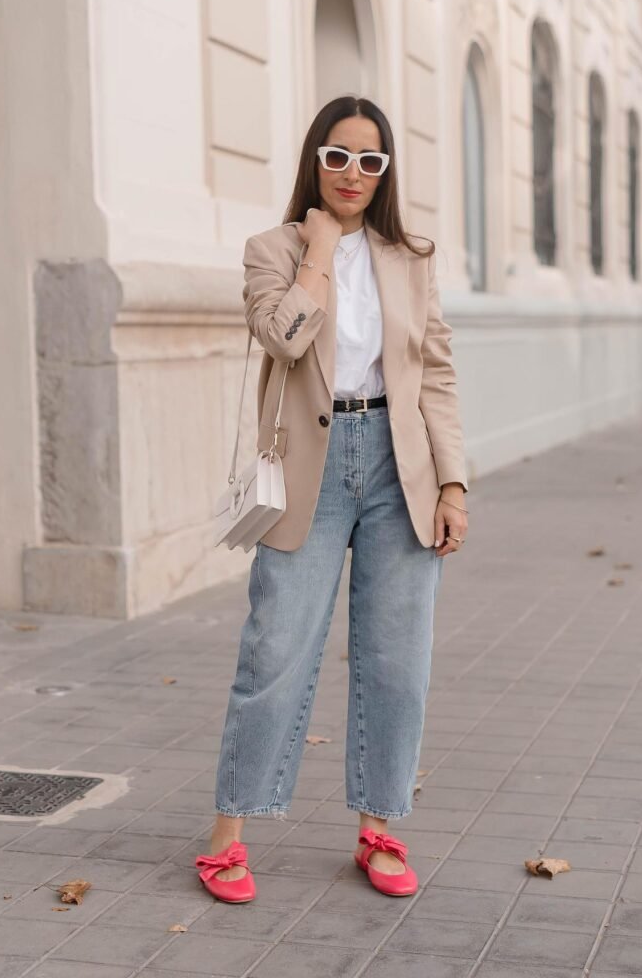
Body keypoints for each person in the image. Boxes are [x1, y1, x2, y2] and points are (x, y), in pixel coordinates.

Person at [196, 96, 469, 903]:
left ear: (386, 172)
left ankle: (380, 828)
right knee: (273, 651)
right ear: (315, 158)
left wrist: (452, 482)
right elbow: (283, 335)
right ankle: (229, 830)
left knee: (396, 662)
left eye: (371, 160)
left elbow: (437, 374)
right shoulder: (271, 249)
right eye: (340, 155)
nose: (355, 173)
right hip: (310, 467)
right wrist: (319, 249)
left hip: (399, 466)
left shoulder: (410, 257)